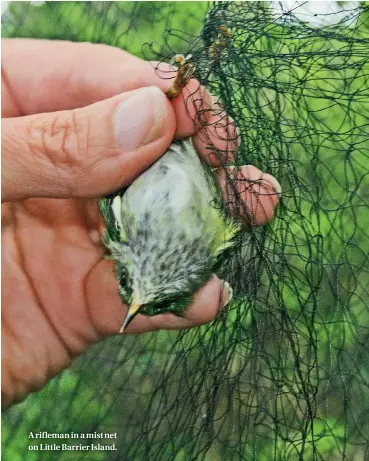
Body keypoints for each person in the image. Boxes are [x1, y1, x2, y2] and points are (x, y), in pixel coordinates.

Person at [1, 39, 281, 408]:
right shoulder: (205, 253)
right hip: (181, 148)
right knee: (212, 141)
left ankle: (181, 86)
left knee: (184, 120)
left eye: (126, 283)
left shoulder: (122, 232)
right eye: (157, 300)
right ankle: (184, 85)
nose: (137, 297)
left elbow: (114, 184)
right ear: (179, 290)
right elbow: (228, 215)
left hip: (154, 145)